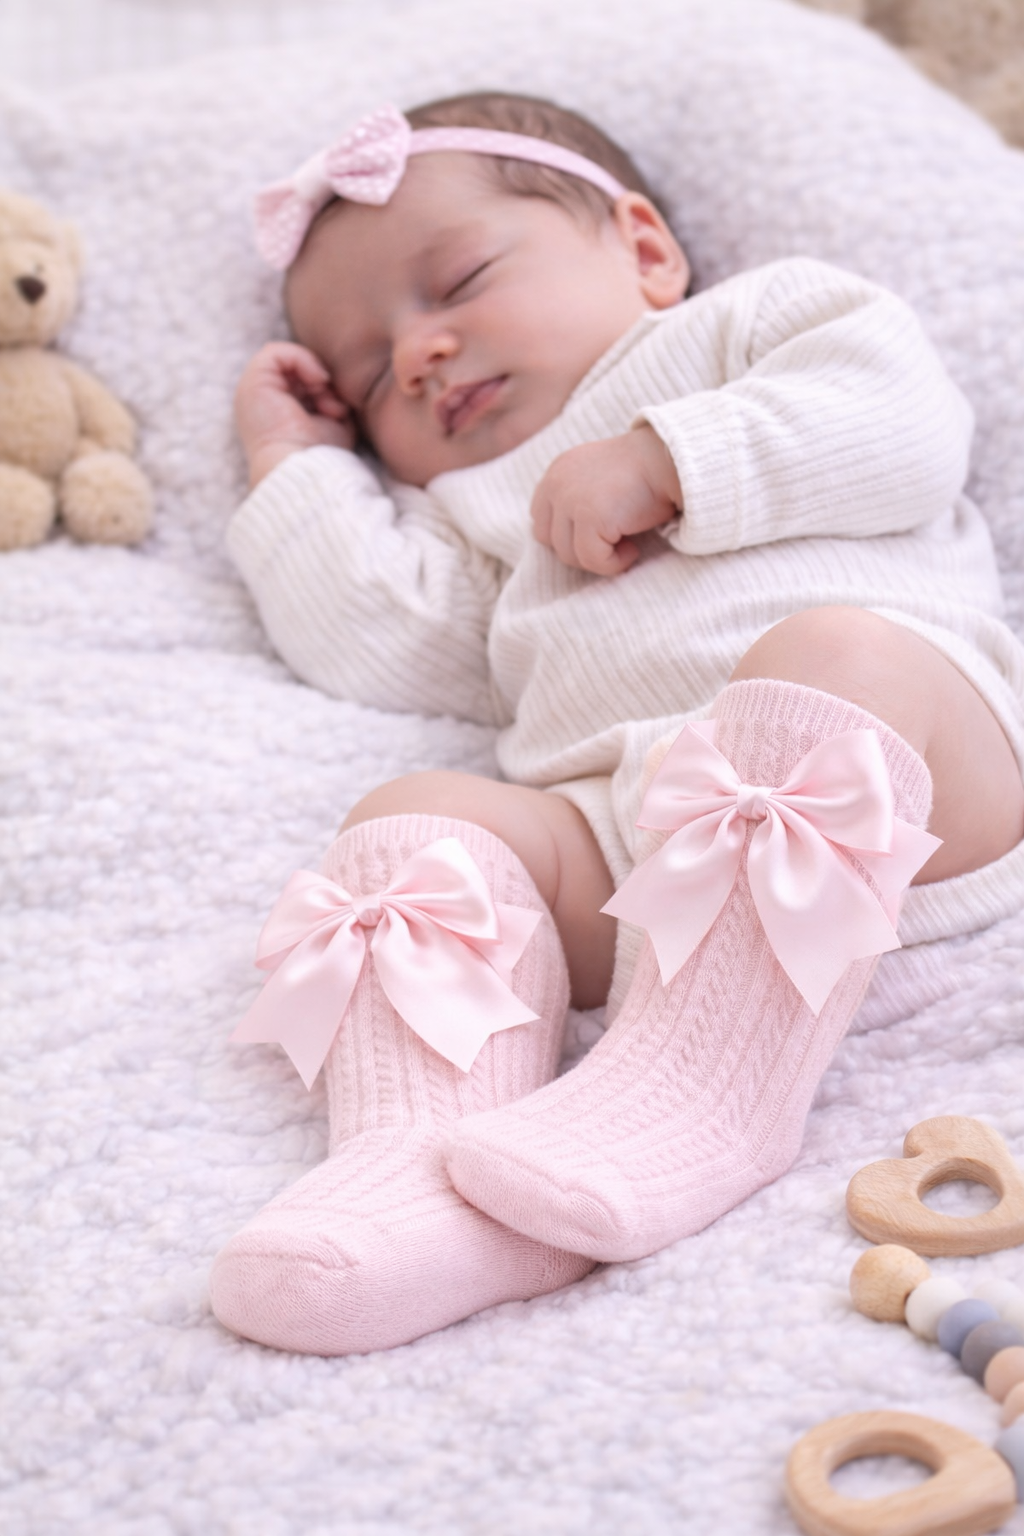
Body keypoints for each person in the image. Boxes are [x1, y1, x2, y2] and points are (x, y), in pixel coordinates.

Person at [211, 92, 1024, 1356]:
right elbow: (377, 639)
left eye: (461, 278)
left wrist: (670, 458)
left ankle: (699, 1095)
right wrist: (293, 463)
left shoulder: (751, 328)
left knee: (832, 651)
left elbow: (902, 423)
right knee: (412, 817)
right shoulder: (476, 508)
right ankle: (425, 1172)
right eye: (372, 376)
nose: (418, 353)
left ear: (643, 249)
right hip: (635, 867)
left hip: (915, 799)